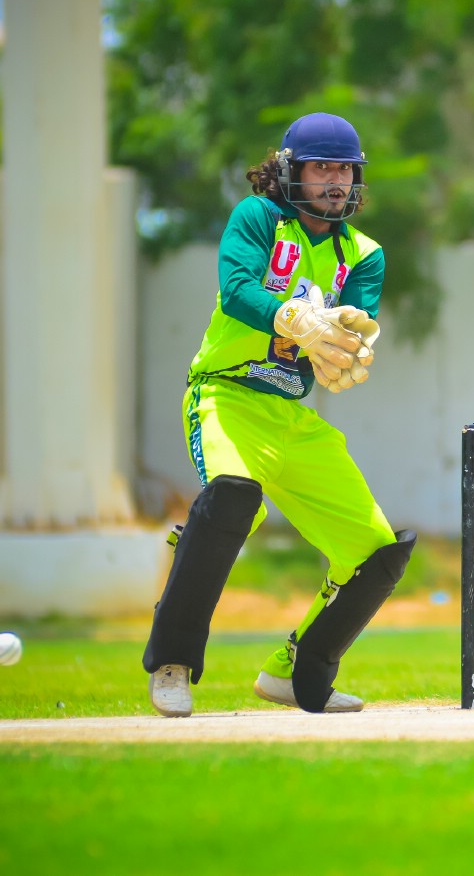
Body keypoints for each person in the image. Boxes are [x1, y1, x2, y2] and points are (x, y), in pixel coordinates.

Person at [142, 111, 415, 717]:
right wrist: (292, 317)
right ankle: (173, 662)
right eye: (322, 167)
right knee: (232, 499)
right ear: (290, 170)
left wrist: (346, 344)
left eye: (345, 169)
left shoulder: (364, 254)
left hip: (291, 414)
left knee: (375, 552)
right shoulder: (258, 217)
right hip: (226, 394)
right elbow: (237, 288)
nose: (336, 180)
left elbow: (358, 322)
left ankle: (297, 671)